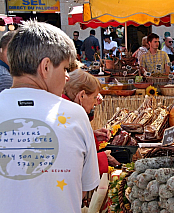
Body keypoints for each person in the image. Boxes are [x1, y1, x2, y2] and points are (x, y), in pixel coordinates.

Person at [0, 20, 100, 212]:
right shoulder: (75, 114)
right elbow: (86, 188)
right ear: (45, 67)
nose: (67, 77)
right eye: (64, 68)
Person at [63, 69, 120, 175]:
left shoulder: (65, 110)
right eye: (94, 97)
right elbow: (73, 163)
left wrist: (92, 137)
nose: (95, 102)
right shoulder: (69, 115)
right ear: (82, 96)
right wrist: (103, 159)